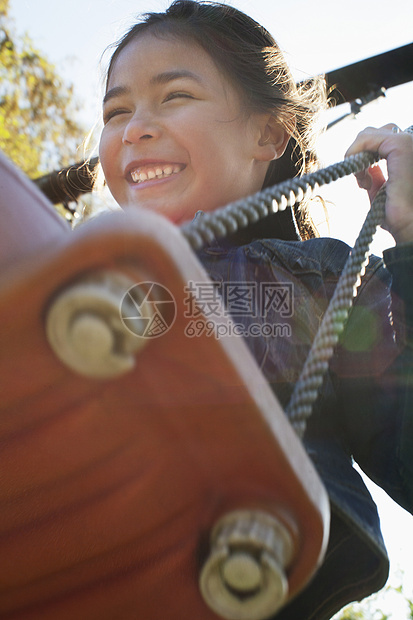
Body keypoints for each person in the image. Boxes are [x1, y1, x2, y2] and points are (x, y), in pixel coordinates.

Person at [98, 1, 413, 618]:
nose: (134, 127)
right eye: (116, 111)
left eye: (174, 96)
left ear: (268, 134)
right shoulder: (72, 280)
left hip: (250, 564)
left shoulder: (322, 281)